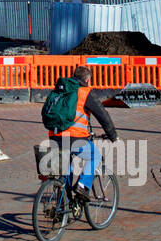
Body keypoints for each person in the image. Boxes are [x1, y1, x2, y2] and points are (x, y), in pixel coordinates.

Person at [51, 65, 119, 199]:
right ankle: (82, 185)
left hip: (55, 136)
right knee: (95, 156)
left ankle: (63, 204)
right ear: (87, 80)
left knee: (66, 166)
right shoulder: (85, 92)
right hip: (74, 138)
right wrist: (113, 135)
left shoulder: (61, 89)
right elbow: (102, 115)